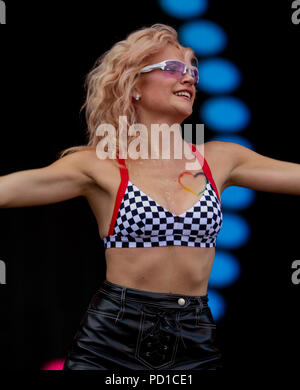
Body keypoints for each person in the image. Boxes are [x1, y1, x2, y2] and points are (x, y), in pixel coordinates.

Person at [0, 24, 299, 371]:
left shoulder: (220, 159)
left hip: (194, 337)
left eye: (192, 69)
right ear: (135, 86)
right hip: (111, 340)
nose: (189, 77)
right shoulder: (99, 165)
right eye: (173, 68)